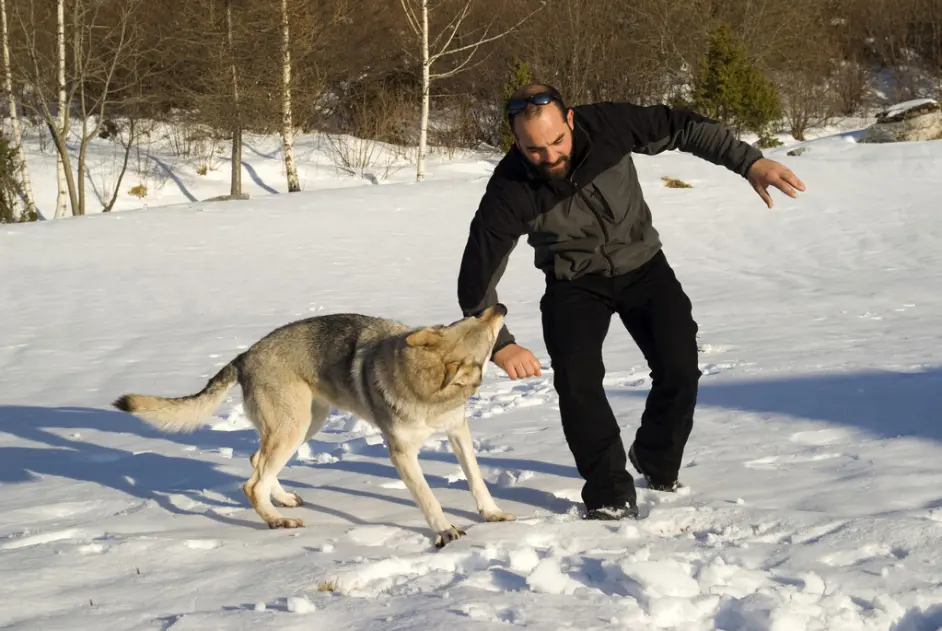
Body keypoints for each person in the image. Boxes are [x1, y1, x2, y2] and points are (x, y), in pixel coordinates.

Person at [456, 83, 805, 520]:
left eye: (557, 141)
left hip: (643, 266)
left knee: (679, 366)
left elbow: (683, 127)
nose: (550, 157)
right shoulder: (511, 189)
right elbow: (476, 277)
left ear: (570, 120)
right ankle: (608, 492)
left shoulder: (610, 126)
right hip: (574, 283)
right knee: (577, 382)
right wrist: (500, 343)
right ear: (516, 142)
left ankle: (655, 459)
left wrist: (749, 162)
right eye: (534, 149)